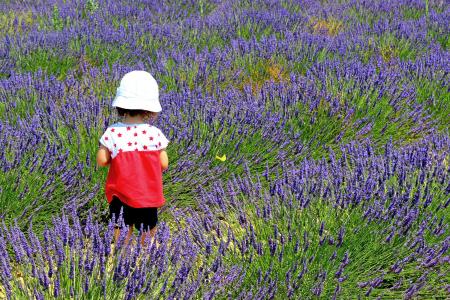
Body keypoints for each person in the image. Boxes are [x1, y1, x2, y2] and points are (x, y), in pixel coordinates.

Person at [96, 70, 169, 246]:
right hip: (147, 195)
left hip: (120, 193)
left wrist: (107, 151)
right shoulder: (155, 134)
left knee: (121, 224)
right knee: (148, 225)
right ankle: (146, 250)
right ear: (149, 110)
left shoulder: (113, 132)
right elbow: (164, 164)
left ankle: (123, 252)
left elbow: (102, 160)